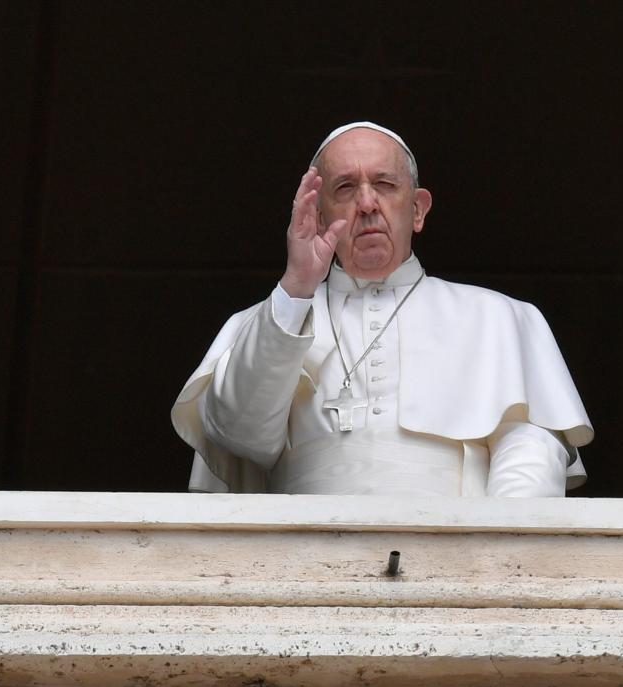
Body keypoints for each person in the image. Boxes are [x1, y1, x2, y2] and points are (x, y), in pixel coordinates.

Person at [172, 121, 593, 496]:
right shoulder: (265, 322)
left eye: (385, 185)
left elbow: (530, 451)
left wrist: (494, 554)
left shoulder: (497, 317)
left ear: (417, 210)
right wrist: (297, 287)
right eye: (345, 188)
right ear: (317, 218)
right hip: (302, 558)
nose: (367, 204)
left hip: (456, 554)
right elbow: (241, 436)